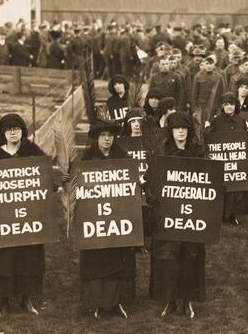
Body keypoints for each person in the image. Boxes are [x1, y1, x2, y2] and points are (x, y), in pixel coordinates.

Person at [0, 114, 49, 316]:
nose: (14, 132)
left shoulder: (32, 151)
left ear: (22, 131)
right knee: (4, 258)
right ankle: (4, 302)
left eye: (17, 128)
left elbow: (44, 173)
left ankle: (26, 299)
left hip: (28, 218)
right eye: (9, 129)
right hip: (3, 217)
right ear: (3, 133)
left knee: (28, 256)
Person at [145, 112, 205, 318]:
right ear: (171, 132)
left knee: (190, 257)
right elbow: (149, 179)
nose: (180, 132)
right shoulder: (162, 153)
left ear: (189, 131)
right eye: (176, 128)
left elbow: (208, 180)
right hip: (168, 217)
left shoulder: (197, 153)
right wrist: (152, 195)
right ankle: (170, 300)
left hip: (191, 216)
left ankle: (187, 301)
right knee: (169, 259)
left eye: (184, 128)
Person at [78, 119, 136, 320]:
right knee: (97, 259)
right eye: (103, 136)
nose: (107, 140)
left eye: (110, 136)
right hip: (95, 221)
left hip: (118, 221)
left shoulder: (123, 158)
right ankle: (98, 303)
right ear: (96, 138)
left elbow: (132, 184)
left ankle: (117, 301)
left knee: (117, 259)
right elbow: (77, 187)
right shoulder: (86, 159)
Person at [206, 92, 248, 225]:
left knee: (235, 189)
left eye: (231, 104)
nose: (229, 107)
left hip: (236, 160)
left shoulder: (241, 121)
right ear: (222, 106)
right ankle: (220, 214)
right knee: (221, 188)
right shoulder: (216, 120)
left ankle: (232, 215)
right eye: (226, 105)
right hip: (221, 160)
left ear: (235, 106)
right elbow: (208, 137)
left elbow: (246, 139)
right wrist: (207, 128)